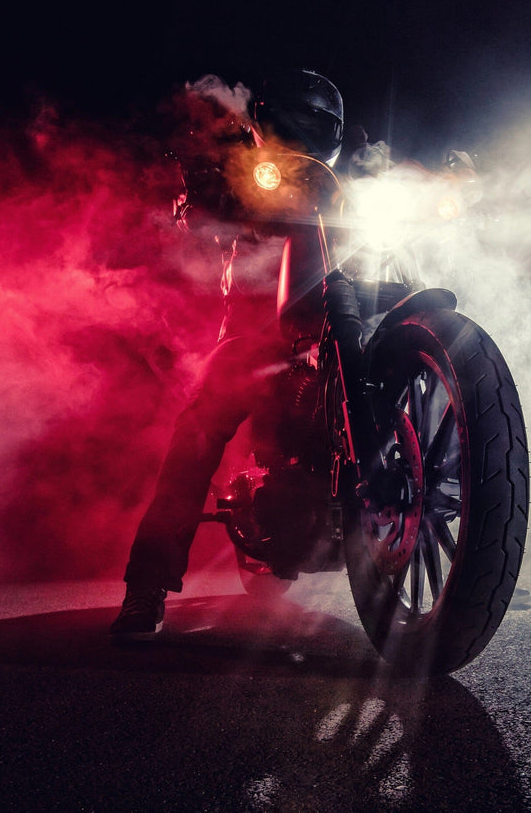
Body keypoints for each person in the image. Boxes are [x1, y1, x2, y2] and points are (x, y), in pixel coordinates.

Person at [110, 69, 355, 637]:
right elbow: (192, 211)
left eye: (315, 123)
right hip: (256, 337)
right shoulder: (243, 172)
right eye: (288, 120)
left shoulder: (349, 188)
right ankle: (145, 588)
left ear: (335, 133)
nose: (301, 132)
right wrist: (199, 183)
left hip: (342, 336)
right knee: (196, 435)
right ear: (262, 124)